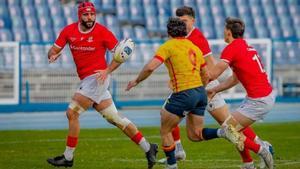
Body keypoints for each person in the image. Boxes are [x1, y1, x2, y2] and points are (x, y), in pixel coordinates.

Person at [158, 6, 273, 169]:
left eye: (184, 21)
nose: (182, 24)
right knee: (170, 115)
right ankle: (178, 150)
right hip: (193, 86)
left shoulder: (197, 38)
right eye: (179, 21)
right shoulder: (181, 37)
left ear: (193, 21)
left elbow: (211, 68)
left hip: (205, 85)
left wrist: (206, 89)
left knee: (230, 126)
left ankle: (256, 151)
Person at [46, 2, 158, 168]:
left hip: (97, 78)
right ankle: (148, 148)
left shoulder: (102, 31)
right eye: (86, 14)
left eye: (92, 14)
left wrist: (107, 71)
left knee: (72, 113)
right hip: (87, 80)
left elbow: (120, 55)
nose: (90, 17)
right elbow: (52, 51)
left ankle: (68, 157)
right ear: (80, 16)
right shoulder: (68, 31)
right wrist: (54, 55)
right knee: (115, 119)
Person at [126, 17, 243, 169]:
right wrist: (198, 89)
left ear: (169, 32)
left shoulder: (168, 46)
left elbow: (150, 67)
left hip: (184, 93)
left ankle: (172, 166)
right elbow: (205, 74)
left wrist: (136, 81)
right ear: (184, 31)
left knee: (165, 129)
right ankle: (223, 132)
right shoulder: (194, 47)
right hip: (200, 93)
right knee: (195, 134)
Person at [207, 17, 276, 169]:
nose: (223, 33)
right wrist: (214, 89)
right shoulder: (245, 46)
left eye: (225, 30)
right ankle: (248, 163)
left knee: (229, 129)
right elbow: (234, 80)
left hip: (259, 100)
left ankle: (262, 149)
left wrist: (195, 80)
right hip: (260, 97)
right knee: (236, 129)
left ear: (229, 32)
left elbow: (214, 73)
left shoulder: (232, 48)